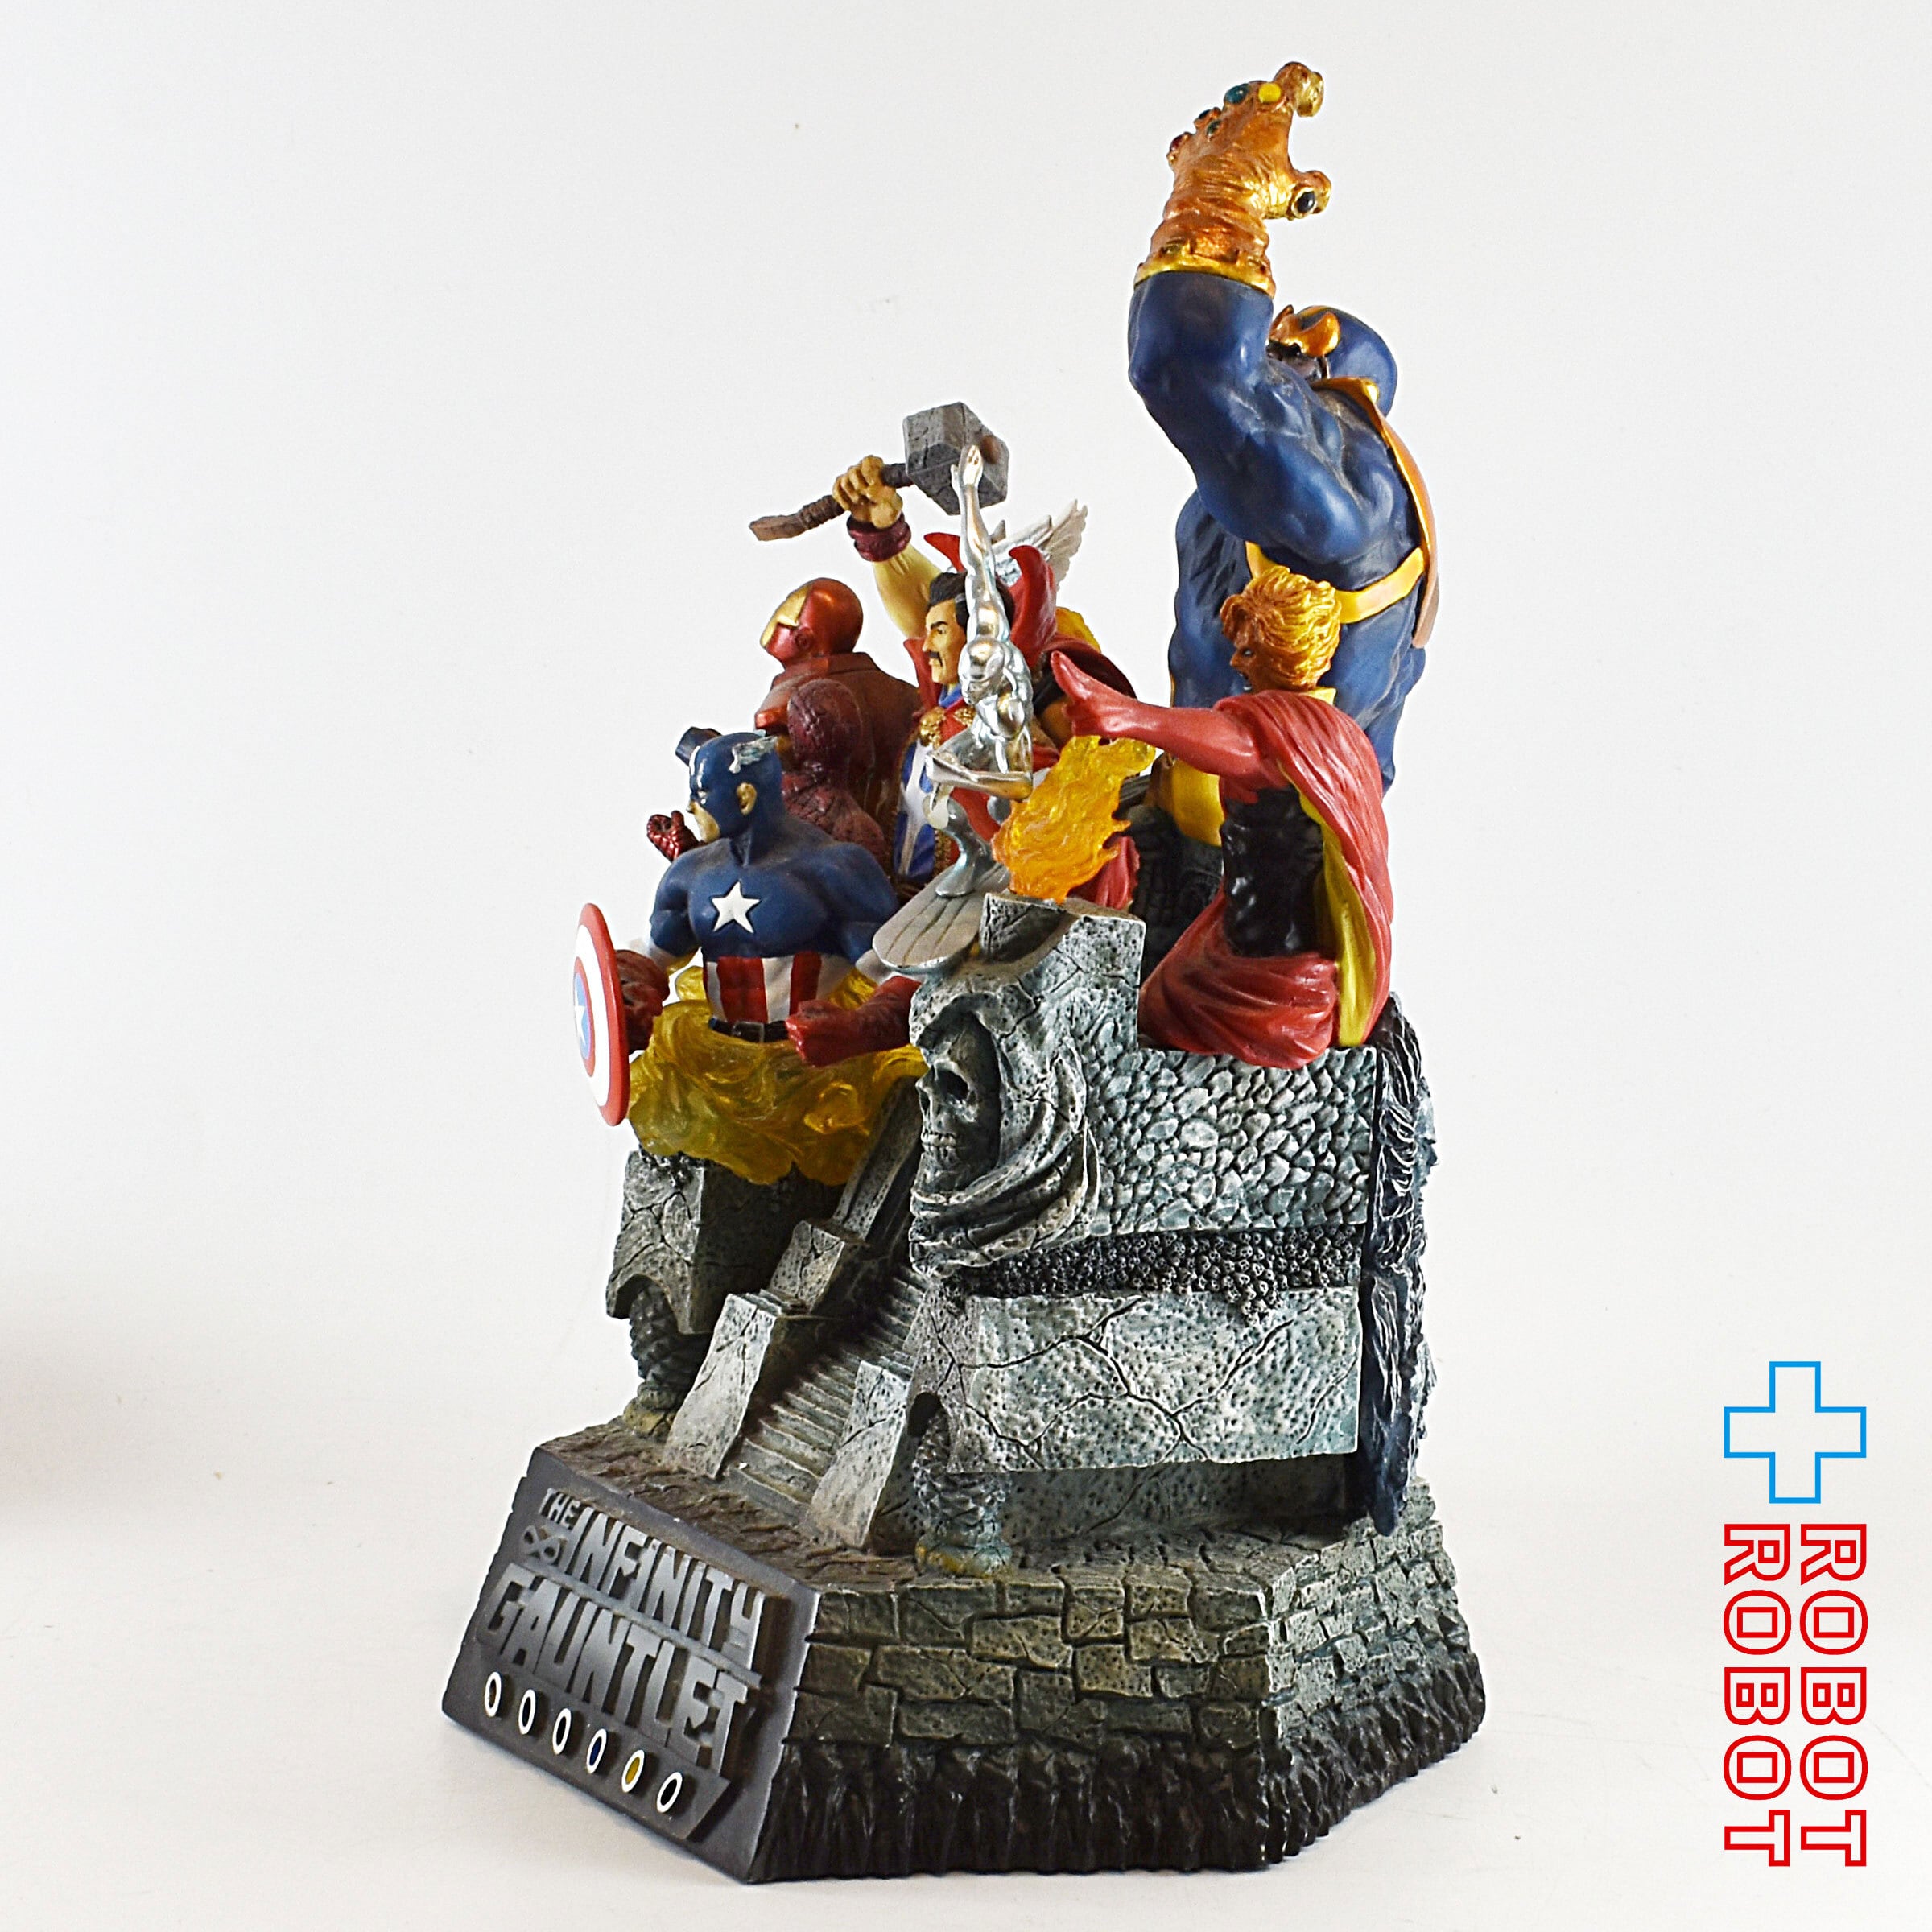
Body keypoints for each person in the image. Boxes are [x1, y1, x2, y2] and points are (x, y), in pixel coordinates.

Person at [1125, 61, 1436, 844]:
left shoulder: (1345, 504)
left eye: (1280, 351)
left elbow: (1186, 367)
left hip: (1261, 843)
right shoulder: (1280, 492)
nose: (1261, 356)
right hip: (1212, 820)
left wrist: (1218, 198)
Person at [1055, 551, 1393, 1071]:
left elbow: (1241, 746)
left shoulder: (1293, 738)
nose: (1236, 663)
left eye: (1249, 649)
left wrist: (1126, 716)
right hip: (1228, 938)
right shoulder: (1333, 737)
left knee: (1157, 1021)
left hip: (1273, 981)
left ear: (1283, 650)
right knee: (1155, 1000)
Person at [613, 730, 916, 1184]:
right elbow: (651, 957)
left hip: (816, 1079)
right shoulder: (689, 875)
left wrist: (859, 1029)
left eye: (701, 795)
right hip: (713, 1067)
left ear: (745, 796)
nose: (691, 808)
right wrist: (625, 996)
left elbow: (903, 976)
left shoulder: (833, 870)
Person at [829, 454, 1135, 887]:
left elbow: (1033, 785)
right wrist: (881, 535)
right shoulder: (942, 696)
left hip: (987, 889)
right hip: (908, 891)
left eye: (939, 631)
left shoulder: (1006, 708)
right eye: (930, 631)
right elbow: (923, 605)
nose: (926, 643)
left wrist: (968, 491)